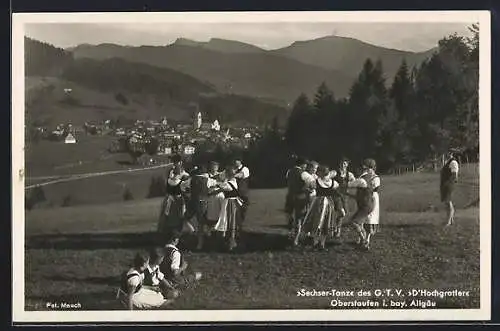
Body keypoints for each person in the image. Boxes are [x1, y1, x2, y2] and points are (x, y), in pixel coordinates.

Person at [295, 165, 339, 250]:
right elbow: (337, 191)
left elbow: (307, 188)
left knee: (317, 222)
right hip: (329, 203)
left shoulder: (316, 182)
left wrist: (308, 190)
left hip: (318, 203)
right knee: (326, 222)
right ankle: (321, 243)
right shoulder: (333, 182)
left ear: (321, 173)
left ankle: (315, 242)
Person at [346, 158, 381, 250]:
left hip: (370, 200)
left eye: (367, 168)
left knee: (367, 221)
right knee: (362, 221)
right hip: (366, 200)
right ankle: (363, 240)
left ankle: (365, 240)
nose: (365, 170)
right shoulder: (366, 177)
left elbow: (354, 184)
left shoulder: (371, 178)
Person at [157, 160, 191, 242]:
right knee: (177, 217)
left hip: (174, 200)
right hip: (176, 200)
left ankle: (173, 235)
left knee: (171, 216)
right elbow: (186, 190)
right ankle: (175, 235)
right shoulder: (179, 181)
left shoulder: (173, 179)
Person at [213, 166, 245, 251]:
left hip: (229, 203)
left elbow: (220, 186)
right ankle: (230, 242)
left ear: (227, 175)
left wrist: (214, 182)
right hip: (234, 202)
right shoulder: (234, 181)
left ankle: (230, 243)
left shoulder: (227, 184)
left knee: (229, 222)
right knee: (231, 222)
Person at [284, 157, 309, 242]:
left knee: (289, 215)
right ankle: (296, 239)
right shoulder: (303, 173)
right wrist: (306, 188)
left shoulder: (289, 171)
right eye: (305, 164)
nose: (306, 166)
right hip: (300, 197)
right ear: (302, 164)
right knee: (299, 218)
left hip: (290, 196)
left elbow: (288, 181)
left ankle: (290, 232)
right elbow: (311, 183)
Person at [186, 164, 211, 250]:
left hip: (193, 202)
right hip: (202, 203)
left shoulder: (191, 179)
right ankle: (202, 241)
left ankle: (194, 233)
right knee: (201, 224)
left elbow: (183, 187)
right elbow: (216, 186)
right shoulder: (208, 179)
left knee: (185, 218)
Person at [333, 158, 356, 238]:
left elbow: (354, 182)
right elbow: (327, 177)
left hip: (344, 196)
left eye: (345, 163)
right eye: (342, 163)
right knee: (341, 212)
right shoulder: (335, 173)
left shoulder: (349, 174)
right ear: (339, 164)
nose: (343, 165)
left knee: (344, 213)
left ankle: (336, 227)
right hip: (336, 195)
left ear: (347, 165)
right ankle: (337, 230)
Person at [440, 149, 460, 226]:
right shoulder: (447, 162)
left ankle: (448, 221)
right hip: (445, 184)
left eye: (449, 153)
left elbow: (454, 175)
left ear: (452, 154)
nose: (447, 154)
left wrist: (448, 183)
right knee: (446, 201)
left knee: (448, 202)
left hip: (449, 184)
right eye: (446, 152)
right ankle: (451, 220)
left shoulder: (453, 162)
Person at [206, 161, 225, 232]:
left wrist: (218, 188)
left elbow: (224, 185)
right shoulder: (207, 175)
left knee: (221, 212)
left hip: (219, 194)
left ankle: (220, 229)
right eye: (213, 166)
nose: (214, 167)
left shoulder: (221, 175)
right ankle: (211, 230)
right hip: (211, 195)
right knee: (212, 213)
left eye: (216, 166)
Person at [233, 158, 250, 223]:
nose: (235, 162)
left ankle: (239, 226)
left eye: (236, 160)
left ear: (240, 161)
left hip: (242, 193)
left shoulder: (245, 169)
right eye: (234, 160)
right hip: (234, 193)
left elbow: (240, 175)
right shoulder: (233, 169)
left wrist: (230, 175)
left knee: (241, 211)